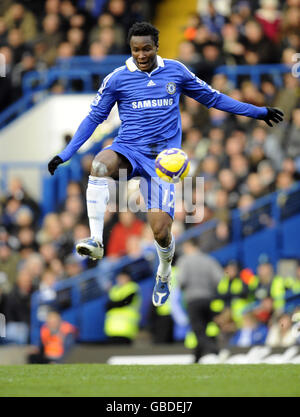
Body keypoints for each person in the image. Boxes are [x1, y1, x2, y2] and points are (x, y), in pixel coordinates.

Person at [48, 21, 284, 308]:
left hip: (162, 163)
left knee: (160, 231)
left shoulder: (176, 71)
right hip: (128, 149)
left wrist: (258, 112)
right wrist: (67, 153)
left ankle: (163, 271)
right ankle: (96, 240)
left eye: (147, 48)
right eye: (136, 49)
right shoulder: (117, 79)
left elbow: (213, 98)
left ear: (156, 47)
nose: (141, 54)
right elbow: (94, 119)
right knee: (99, 166)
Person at [176, 238, 224, 362]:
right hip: (208, 299)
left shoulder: (184, 261)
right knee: (204, 328)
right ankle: (196, 358)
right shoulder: (208, 260)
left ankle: (216, 351)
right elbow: (219, 278)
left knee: (198, 330)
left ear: (189, 246)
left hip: (193, 299)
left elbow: (181, 281)